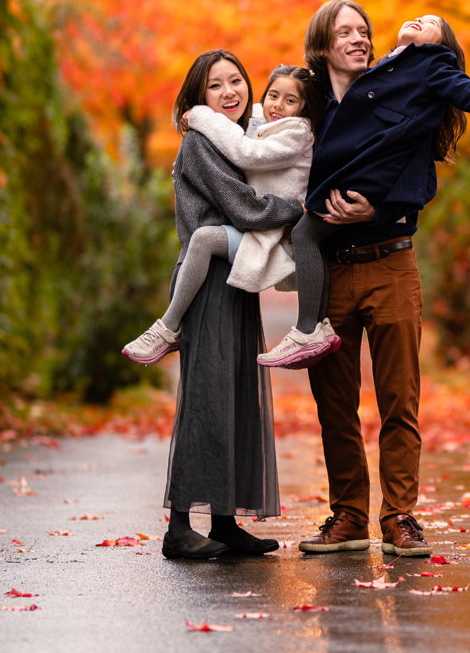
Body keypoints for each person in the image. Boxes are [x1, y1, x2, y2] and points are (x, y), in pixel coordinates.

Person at [293, 2, 470, 558]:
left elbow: (419, 181)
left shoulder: (408, 98)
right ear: (322, 44)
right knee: (333, 403)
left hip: (391, 264)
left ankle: (400, 516)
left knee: (399, 401)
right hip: (329, 270)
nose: (359, 39)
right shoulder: (308, 103)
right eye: (346, 32)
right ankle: (349, 518)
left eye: (365, 31)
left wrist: (375, 210)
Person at [153, 50, 305, 560]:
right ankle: (178, 528)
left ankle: (224, 524)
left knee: (235, 392)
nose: (229, 92)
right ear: (200, 97)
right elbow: (244, 208)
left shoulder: (238, 142)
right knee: (205, 398)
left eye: (236, 81)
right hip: (206, 286)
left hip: (235, 280)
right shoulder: (201, 144)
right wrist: (296, 212)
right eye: (215, 86)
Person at [122, 65, 324, 365]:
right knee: (202, 240)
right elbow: (250, 111)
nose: (278, 105)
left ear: (304, 109)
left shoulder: (296, 132)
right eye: (273, 95)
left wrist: (201, 115)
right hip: (259, 225)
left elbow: (246, 153)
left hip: (272, 229)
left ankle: (168, 327)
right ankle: (168, 327)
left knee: (204, 239)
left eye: (290, 100)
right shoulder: (266, 120)